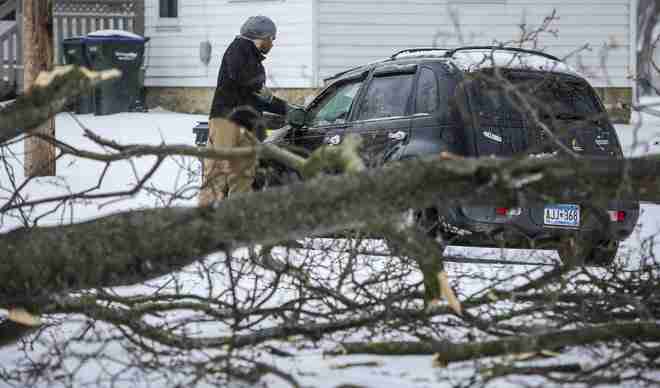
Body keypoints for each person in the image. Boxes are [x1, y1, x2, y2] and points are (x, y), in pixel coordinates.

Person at [199, 15, 289, 206]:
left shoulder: (252, 58)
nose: (272, 44)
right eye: (271, 39)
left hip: (242, 125)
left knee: (241, 178)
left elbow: (256, 95)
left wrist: (285, 108)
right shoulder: (239, 49)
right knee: (218, 176)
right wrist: (260, 87)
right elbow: (242, 77)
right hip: (228, 121)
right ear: (261, 36)